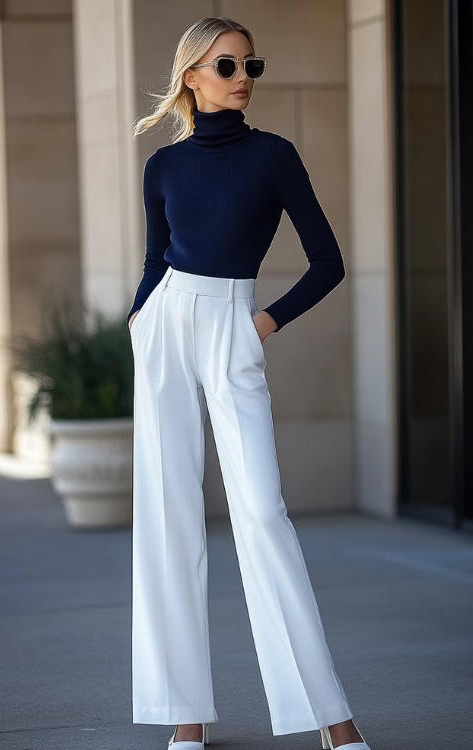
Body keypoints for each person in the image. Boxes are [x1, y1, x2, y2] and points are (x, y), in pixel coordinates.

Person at [127, 15, 372, 750]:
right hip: (166, 325)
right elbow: (153, 259)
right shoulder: (162, 168)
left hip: (236, 324)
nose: (243, 80)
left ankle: (332, 719)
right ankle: (185, 717)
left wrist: (261, 324)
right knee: (166, 517)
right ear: (191, 77)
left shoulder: (275, 156)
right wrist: (141, 319)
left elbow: (327, 262)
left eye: (250, 67)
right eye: (228, 67)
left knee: (262, 514)